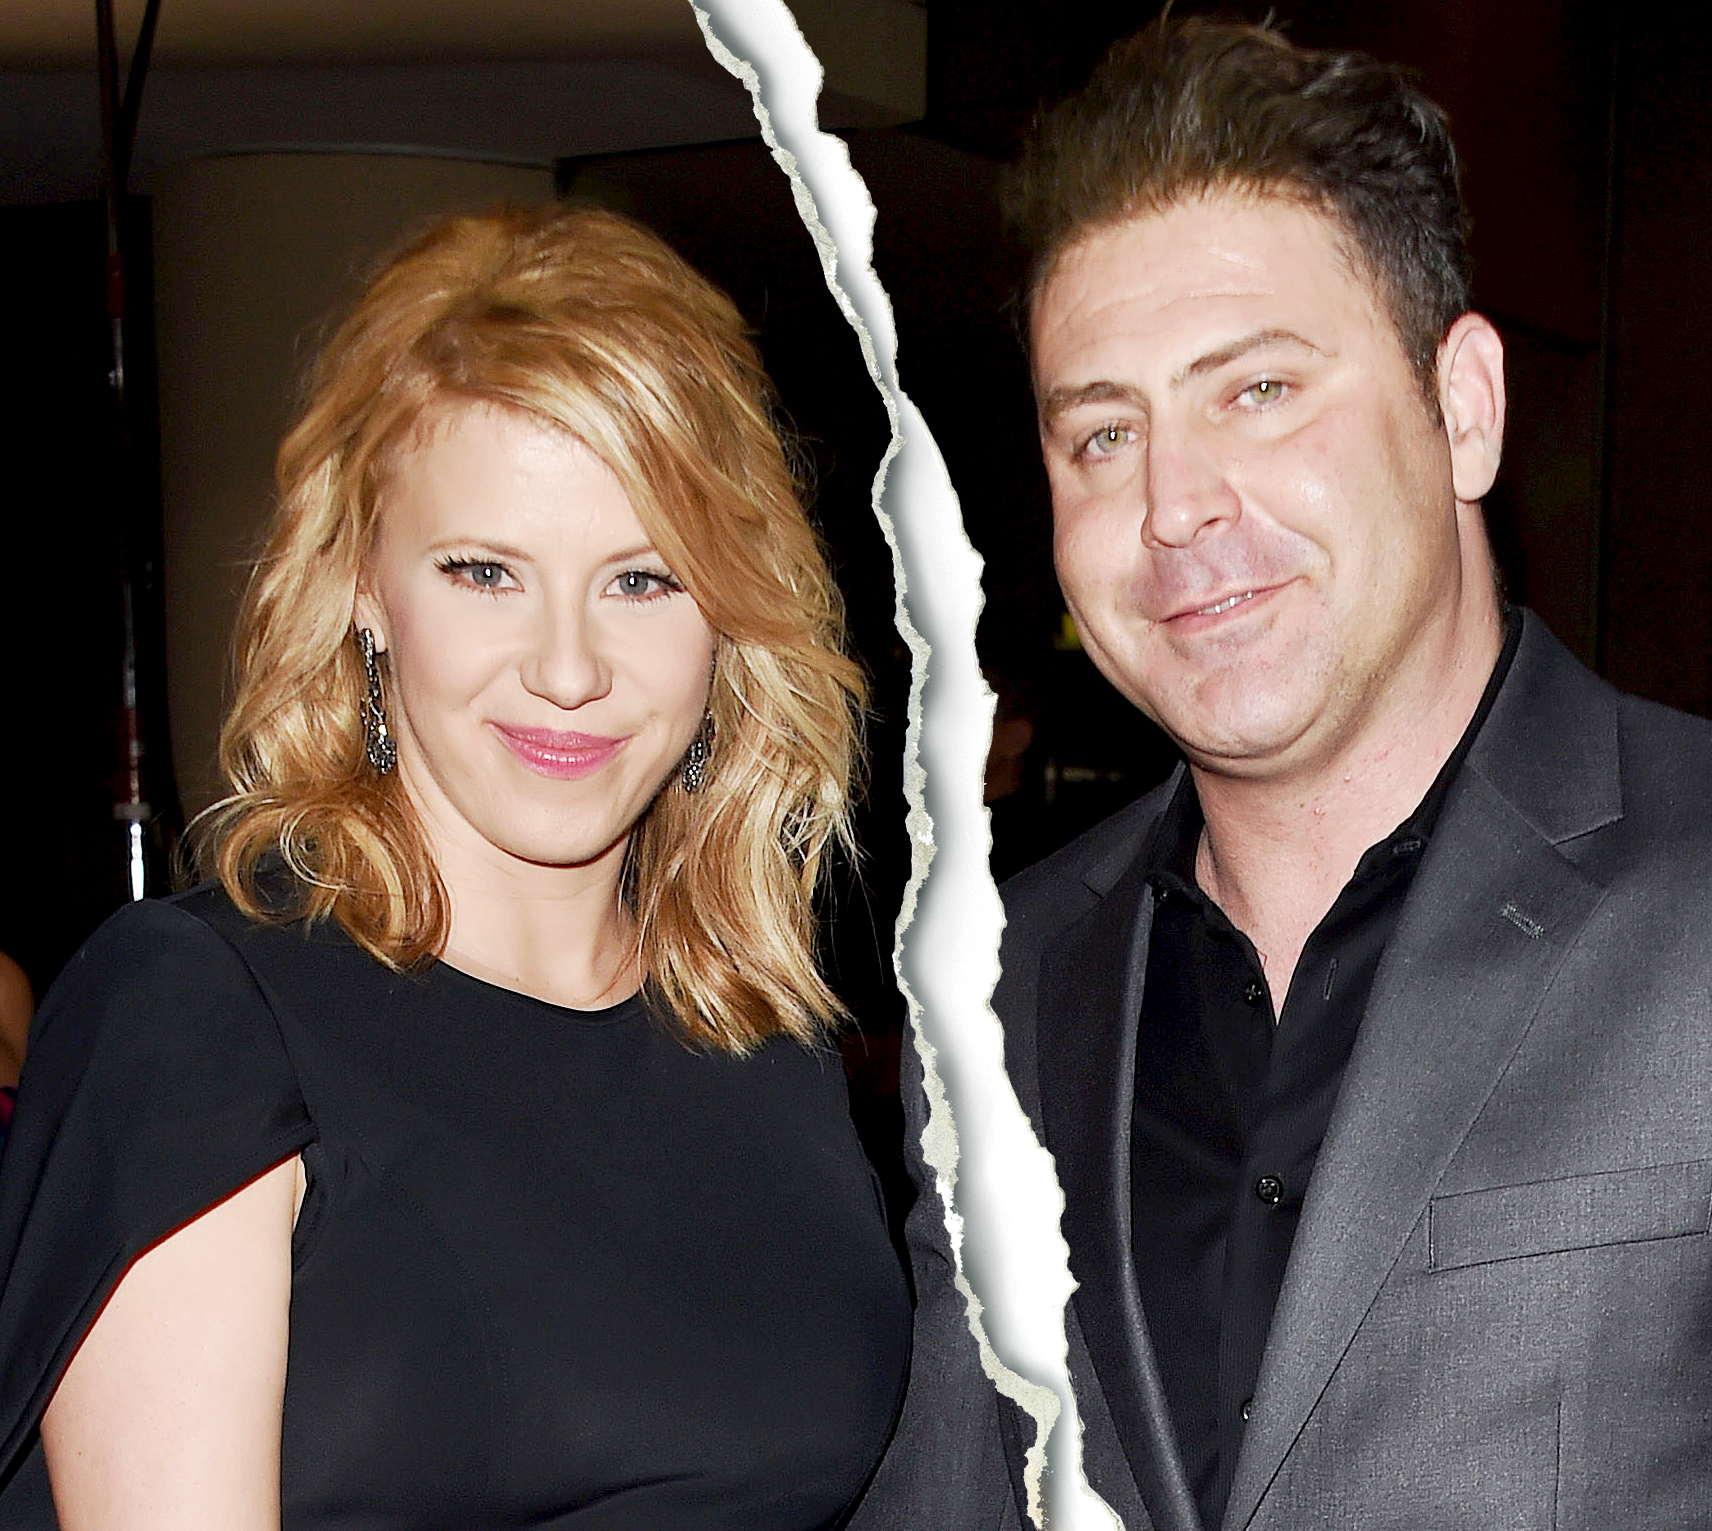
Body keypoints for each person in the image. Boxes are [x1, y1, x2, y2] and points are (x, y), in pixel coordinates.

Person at [0, 205, 914, 1529]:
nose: (567, 669)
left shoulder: (765, 1039)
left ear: (731, 611)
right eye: (485, 572)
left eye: (644, 581)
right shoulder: (198, 1017)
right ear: (364, 588)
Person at [994, 17, 1712, 1531]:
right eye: (1104, 435)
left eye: (1257, 391)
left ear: (1465, 409)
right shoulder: (999, 990)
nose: (1174, 504)